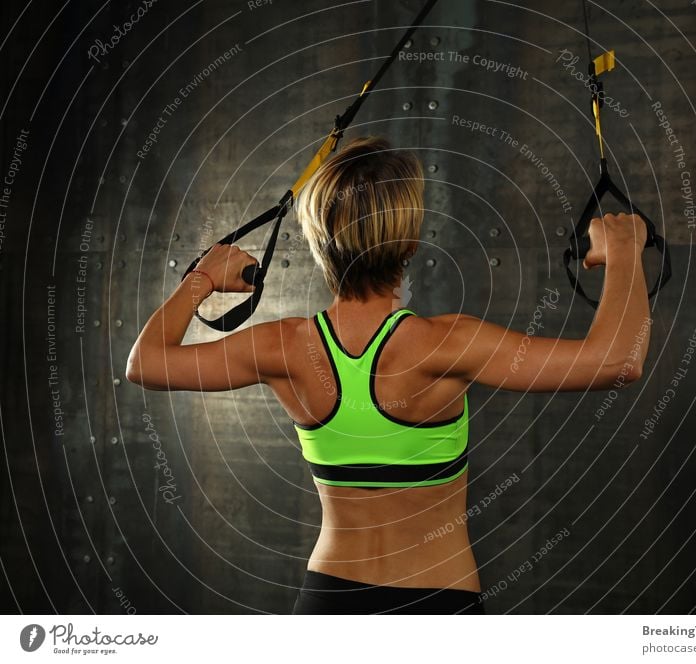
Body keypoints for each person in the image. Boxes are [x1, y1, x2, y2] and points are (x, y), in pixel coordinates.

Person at [126, 136, 651, 614]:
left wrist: (202, 280)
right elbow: (618, 360)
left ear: (318, 243)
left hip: (328, 603)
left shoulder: (282, 347)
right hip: (436, 604)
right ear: (409, 241)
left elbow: (144, 363)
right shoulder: (445, 344)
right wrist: (625, 250)